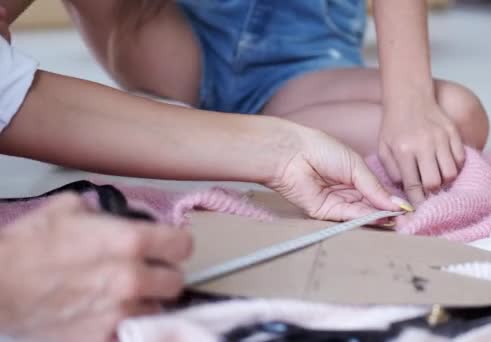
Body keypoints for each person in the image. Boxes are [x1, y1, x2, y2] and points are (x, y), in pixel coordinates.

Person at [0, 3, 405, 340]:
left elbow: (11, 94)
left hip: (286, 76)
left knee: (457, 111)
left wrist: (283, 153)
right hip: (179, 48)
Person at [66, 0, 490, 206]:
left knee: (459, 116)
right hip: (175, 36)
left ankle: (237, 136)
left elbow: (431, 112)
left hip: (302, 66)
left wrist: (410, 102)